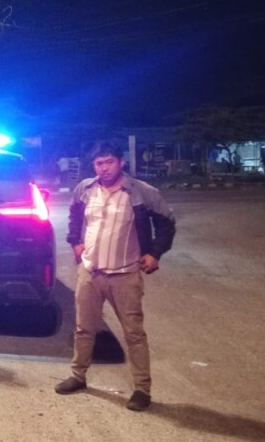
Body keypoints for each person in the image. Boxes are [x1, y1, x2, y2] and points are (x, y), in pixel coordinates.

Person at [55, 140, 176, 411]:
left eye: (109, 162)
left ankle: (142, 390)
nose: (104, 168)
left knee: (134, 333)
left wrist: (155, 253)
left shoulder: (141, 192)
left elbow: (167, 223)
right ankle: (78, 376)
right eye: (99, 163)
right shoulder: (85, 189)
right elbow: (74, 214)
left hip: (125, 275)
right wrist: (75, 241)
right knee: (83, 329)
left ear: (121, 162)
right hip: (90, 273)